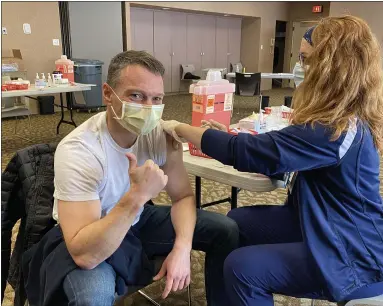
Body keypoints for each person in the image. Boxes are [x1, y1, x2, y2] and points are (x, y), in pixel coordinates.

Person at [161, 16, 383, 305]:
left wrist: (180, 128)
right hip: (325, 220)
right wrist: (223, 136)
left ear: (332, 67)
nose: (299, 69)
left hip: (350, 249)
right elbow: (278, 148)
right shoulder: (344, 120)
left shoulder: (335, 129)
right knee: (234, 223)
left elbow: (251, 153)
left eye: (305, 60)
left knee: (243, 268)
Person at [25, 50, 239, 306]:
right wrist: (137, 196)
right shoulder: (79, 151)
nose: (148, 108)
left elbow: (182, 196)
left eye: (156, 98)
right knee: (93, 296)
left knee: (226, 230)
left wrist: (182, 247)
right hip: (92, 230)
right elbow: (84, 255)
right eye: (136, 95)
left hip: (138, 220)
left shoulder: (160, 135)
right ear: (108, 94)